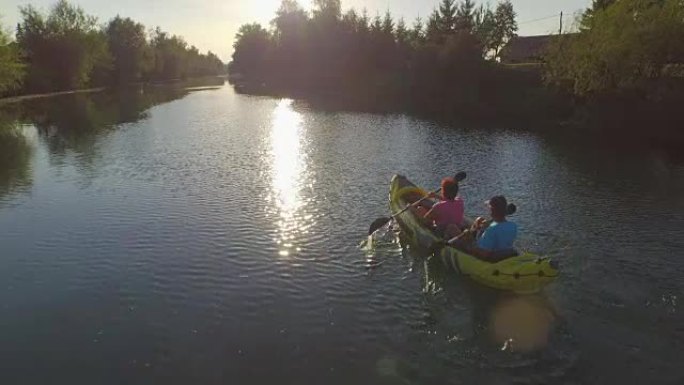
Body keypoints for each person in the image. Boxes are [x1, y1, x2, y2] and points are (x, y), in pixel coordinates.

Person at [451, 195, 518, 262]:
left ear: (492, 210)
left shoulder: (491, 229)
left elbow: (483, 254)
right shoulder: (513, 226)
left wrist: (468, 241)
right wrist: (482, 229)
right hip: (502, 252)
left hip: (487, 255)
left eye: (489, 207)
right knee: (479, 220)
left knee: (452, 228)